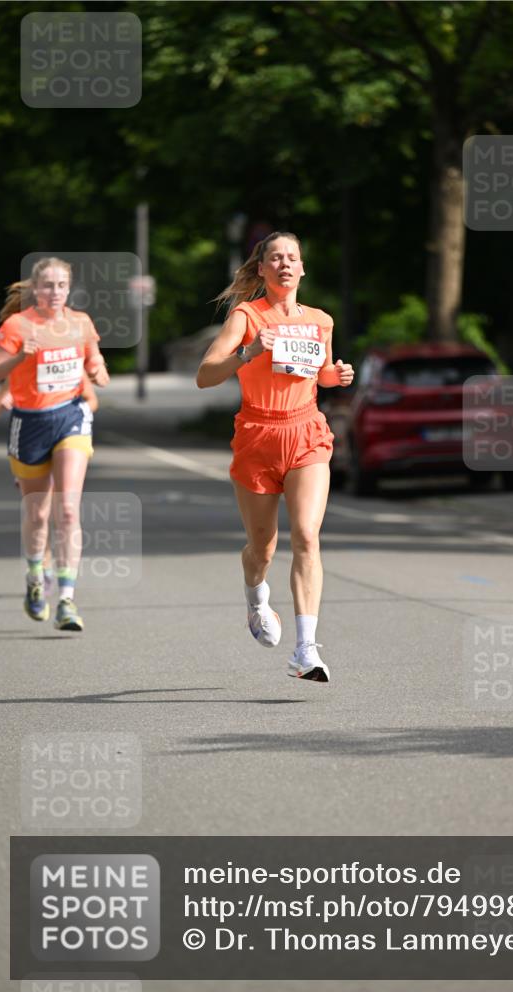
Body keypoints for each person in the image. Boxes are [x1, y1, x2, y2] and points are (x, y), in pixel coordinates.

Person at [196, 232, 354, 682]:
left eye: (293, 258)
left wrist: (335, 375)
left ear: (302, 268)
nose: (285, 264)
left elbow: (316, 373)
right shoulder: (247, 316)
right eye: (275, 258)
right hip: (257, 436)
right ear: (261, 269)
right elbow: (205, 376)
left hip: (306, 432)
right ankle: (256, 599)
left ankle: (306, 650)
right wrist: (249, 352)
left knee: (306, 536)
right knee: (262, 545)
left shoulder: (320, 320)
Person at [0, 257, 109, 630]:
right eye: (47, 286)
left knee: (68, 510)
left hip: (70, 417)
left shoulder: (80, 323)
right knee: (38, 514)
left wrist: (98, 371)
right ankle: (33, 577)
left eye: (61, 285)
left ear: (68, 288)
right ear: (35, 289)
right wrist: (19, 358)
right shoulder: (17, 325)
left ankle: (67, 600)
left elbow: (96, 360)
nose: (54, 292)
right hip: (29, 423)